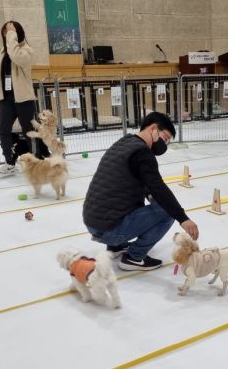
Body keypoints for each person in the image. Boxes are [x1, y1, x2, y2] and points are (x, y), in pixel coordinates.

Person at [83, 112, 199, 271]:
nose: (164, 145)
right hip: (108, 228)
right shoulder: (142, 153)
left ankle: (116, 247)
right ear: (153, 128)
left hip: (94, 222)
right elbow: (158, 187)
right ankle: (134, 257)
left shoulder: (124, 143)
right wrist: (182, 217)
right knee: (167, 211)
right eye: (165, 139)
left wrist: (154, 198)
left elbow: (140, 183)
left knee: (125, 199)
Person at [0, 21, 49, 174]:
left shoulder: (26, 50)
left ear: (17, 32)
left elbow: (17, 57)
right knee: (3, 130)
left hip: (24, 99)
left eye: (10, 31)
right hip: (6, 98)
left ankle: (36, 160)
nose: (7, 34)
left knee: (30, 131)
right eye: (5, 31)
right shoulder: (4, 52)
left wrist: (12, 36)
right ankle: (9, 161)